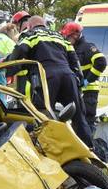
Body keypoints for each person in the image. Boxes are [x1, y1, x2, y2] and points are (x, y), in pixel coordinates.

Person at [6, 16, 94, 147]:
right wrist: (79, 80)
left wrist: (8, 68)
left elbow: (21, 51)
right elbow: (74, 59)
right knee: (78, 116)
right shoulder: (60, 37)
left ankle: (46, 149)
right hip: (68, 76)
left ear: (29, 26)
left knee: (43, 116)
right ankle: (88, 148)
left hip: (46, 76)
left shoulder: (30, 34)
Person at [61, 22, 107, 128]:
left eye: (68, 37)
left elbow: (101, 62)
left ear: (75, 35)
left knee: (87, 121)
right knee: (77, 122)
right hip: (79, 91)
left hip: (89, 92)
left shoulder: (87, 47)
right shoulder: (73, 49)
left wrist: (88, 80)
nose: (66, 39)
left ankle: (89, 139)